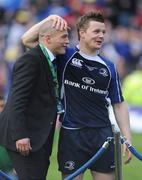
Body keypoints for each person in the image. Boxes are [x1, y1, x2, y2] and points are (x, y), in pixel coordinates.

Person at [22, 11, 132, 180]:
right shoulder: (64, 56)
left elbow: (119, 103)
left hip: (103, 136)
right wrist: (49, 18)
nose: (101, 35)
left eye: (103, 32)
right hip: (72, 136)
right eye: (96, 31)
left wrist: (127, 138)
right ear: (82, 32)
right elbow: (27, 40)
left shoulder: (109, 66)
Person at [0, 16, 69, 180]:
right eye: (64, 37)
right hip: (24, 138)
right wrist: (20, 135)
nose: (67, 41)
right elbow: (17, 99)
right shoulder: (31, 59)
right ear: (48, 39)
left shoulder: (49, 58)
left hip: (38, 137)